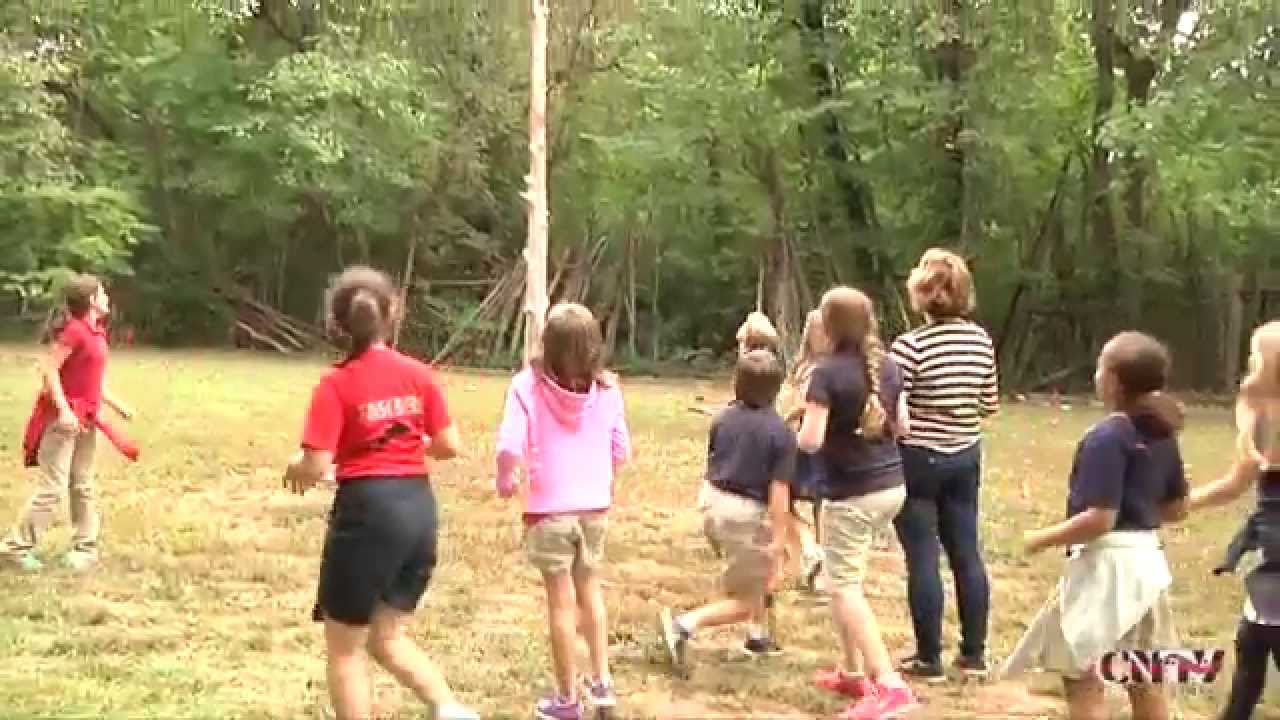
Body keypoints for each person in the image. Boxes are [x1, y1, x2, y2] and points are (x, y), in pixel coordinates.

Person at [283, 266, 479, 720]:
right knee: (386, 636)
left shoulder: (336, 384)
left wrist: (296, 467)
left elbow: (315, 464)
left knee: (345, 647)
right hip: (417, 509)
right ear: (393, 314)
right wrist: (403, 448)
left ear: (336, 324)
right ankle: (449, 709)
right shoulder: (418, 374)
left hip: (368, 513)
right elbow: (449, 445)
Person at [1000, 331, 1189, 720]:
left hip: (1107, 568)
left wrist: (1041, 538)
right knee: (1144, 674)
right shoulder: (1163, 434)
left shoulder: (1107, 437)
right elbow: (1177, 508)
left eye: (1102, 365)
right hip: (1148, 566)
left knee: (1082, 673)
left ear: (1114, 380)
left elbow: (1100, 519)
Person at [494, 303, 632, 720]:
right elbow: (621, 450)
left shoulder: (525, 386)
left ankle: (568, 698)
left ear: (546, 344)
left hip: (548, 510)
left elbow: (507, 446)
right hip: (594, 507)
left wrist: (506, 481)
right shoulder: (608, 390)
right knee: (591, 592)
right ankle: (603, 684)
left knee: (560, 603)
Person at [799, 286, 918, 720]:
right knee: (839, 577)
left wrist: (791, 433)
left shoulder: (825, 374)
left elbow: (811, 441)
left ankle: (888, 684)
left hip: (850, 493)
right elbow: (902, 425)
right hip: (891, 485)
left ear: (827, 326)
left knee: (845, 586)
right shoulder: (890, 367)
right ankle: (851, 671)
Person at [888, 248, 998, 681]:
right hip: (965, 455)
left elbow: (895, 415)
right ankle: (973, 653)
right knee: (967, 553)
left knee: (922, 557)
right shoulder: (980, 341)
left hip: (918, 459)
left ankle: (928, 656)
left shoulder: (909, 347)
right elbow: (988, 403)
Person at [658, 349, 796, 671]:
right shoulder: (781, 434)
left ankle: (758, 637)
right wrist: (779, 538)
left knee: (756, 577)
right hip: (745, 513)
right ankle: (683, 626)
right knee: (747, 598)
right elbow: (779, 490)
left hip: (712, 501)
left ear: (736, 383)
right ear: (779, 388)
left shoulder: (722, 417)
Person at [2, 273, 134, 572]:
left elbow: (91, 380)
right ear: (91, 300)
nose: (107, 298)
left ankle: (85, 548)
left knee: (82, 483)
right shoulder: (74, 331)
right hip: (61, 421)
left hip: (85, 418)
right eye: (102, 293)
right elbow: (49, 370)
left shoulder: (96, 333)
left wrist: (117, 405)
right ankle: (13, 548)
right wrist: (63, 410)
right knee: (54, 486)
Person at [1188, 320, 1280, 720]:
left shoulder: (1263, 421)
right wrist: (1186, 503)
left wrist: (1185, 503)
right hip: (1271, 555)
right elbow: (1237, 483)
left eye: (1253, 357)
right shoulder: (1261, 419)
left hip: (1275, 555)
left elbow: (1235, 484)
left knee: (1258, 640)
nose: (1248, 365)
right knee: (1251, 645)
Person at [778, 309, 831, 592]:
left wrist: (784, 417)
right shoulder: (803, 367)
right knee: (793, 499)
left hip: (810, 439)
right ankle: (812, 549)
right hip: (803, 439)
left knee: (816, 503)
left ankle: (814, 552)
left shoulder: (821, 370)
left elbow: (804, 404)